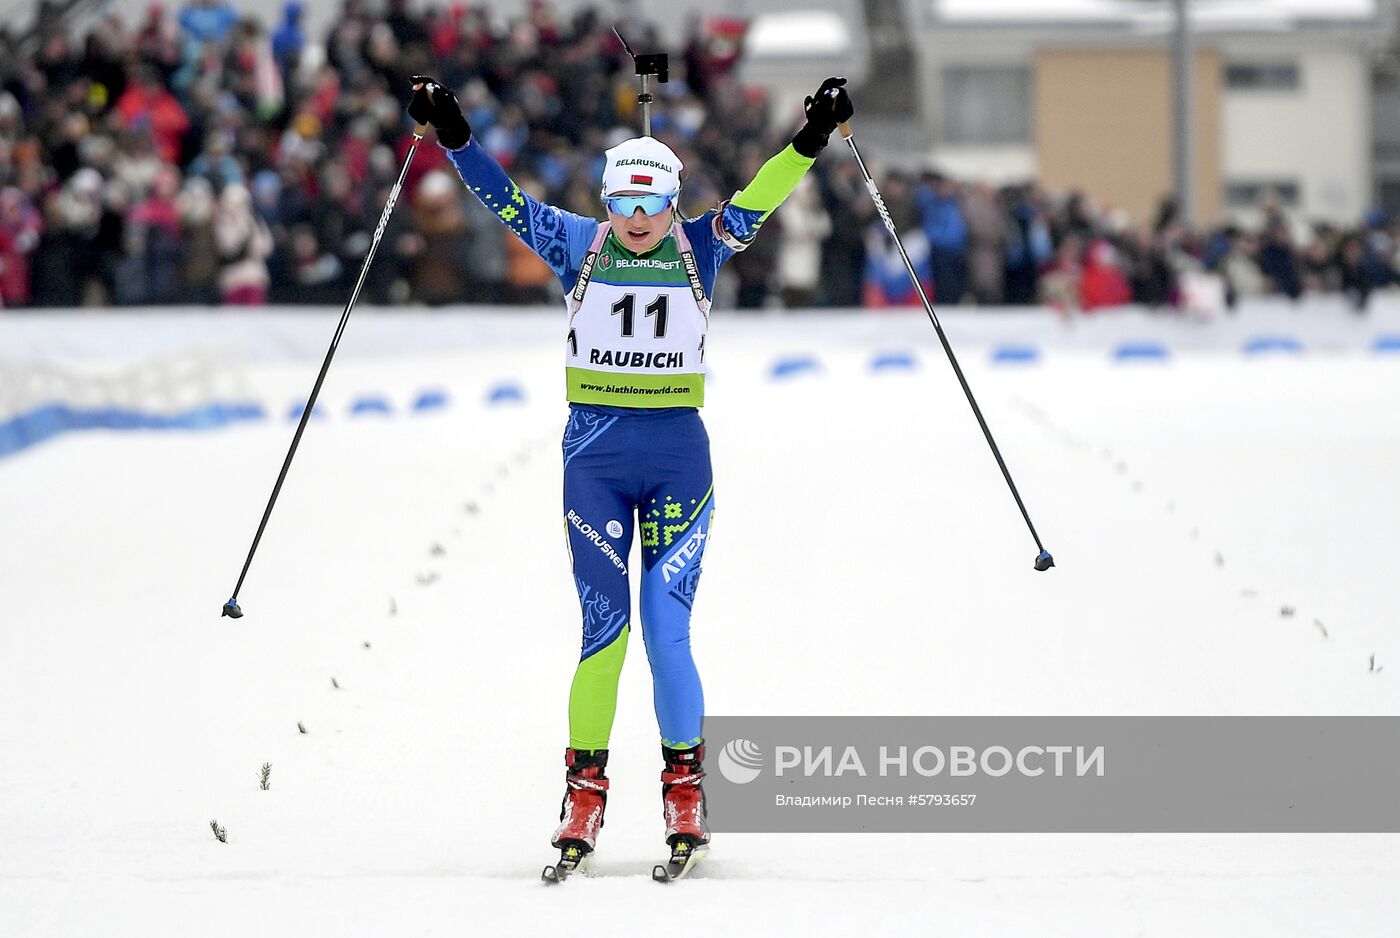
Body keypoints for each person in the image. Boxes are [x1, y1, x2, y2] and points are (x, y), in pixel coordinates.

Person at [407, 72, 854, 867]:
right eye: (626, 203)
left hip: (680, 460)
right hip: (596, 465)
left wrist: (812, 135)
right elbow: (501, 200)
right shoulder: (578, 244)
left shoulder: (701, 245)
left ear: (673, 202)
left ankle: (685, 786)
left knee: (669, 634)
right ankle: (585, 793)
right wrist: (453, 131)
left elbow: (766, 191)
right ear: (607, 201)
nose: (640, 220)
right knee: (602, 634)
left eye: (654, 204)